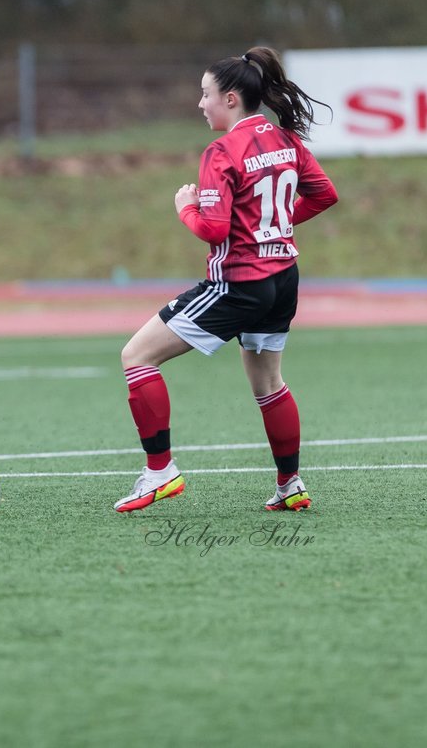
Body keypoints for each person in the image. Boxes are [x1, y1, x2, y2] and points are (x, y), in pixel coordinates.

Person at [113, 46, 339, 515]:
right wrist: (273, 227)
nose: (200, 103)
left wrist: (186, 208)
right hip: (283, 278)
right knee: (270, 382)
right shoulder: (286, 140)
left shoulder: (222, 150)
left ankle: (160, 473)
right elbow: (324, 194)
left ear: (231, 98)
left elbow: (212, 229)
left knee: (136, 357)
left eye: (205, 94)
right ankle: (290, 483)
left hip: (239, 282)